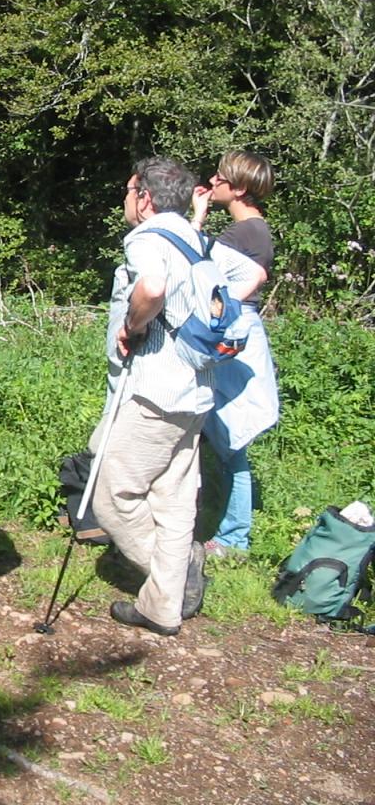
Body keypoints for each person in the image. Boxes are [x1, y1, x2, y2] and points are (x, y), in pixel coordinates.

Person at [94, 157, 265, 636]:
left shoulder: (147, 237)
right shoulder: (197, 237)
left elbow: (151, 285)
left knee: (112, 494)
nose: (127, 198)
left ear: (145, 198)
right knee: (173, 500)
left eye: (130, 190)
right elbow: (252, 277)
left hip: (155, 389)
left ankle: (172, 580)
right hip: (197, 388)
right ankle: (161, 609)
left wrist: (134, 323)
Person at [190, 151, 278, 557]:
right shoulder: (252, 231)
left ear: (239, 188)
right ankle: (223, 530)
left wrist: (197, 216)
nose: (214, 179)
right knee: (219, 433)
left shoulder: (247, 234)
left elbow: (199, 272)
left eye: (221, 177)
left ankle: (233, 538)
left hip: (232, 337)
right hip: (236, 332)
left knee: (228, 437)